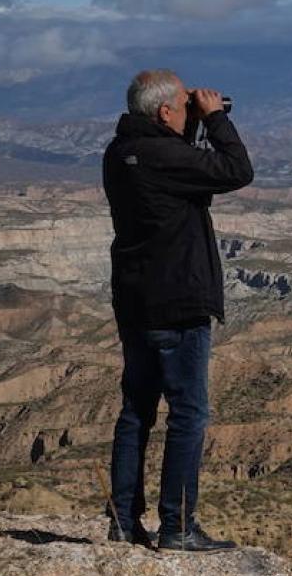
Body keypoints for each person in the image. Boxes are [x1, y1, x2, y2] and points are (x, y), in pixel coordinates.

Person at [102, 68, 253, 551]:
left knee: (136, 412)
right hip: (178, 304)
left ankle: (124, 520)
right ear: (165, 111)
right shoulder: (164, 154)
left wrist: (188, 124)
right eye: (184, 105)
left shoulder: (120, 153)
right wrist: (214, 121)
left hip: (135, 304)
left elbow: (189, 180)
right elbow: (235, 171)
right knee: (188, 415)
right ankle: (178, 526)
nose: (193, 107)